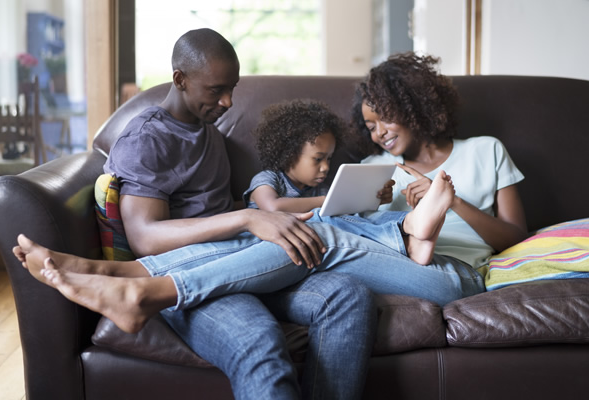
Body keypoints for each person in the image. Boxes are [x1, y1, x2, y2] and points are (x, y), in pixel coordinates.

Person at [19, 28, 379, 400]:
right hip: (188, 276)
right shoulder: (148, 138)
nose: (227, 102)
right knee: (259, 342)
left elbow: (221, 210)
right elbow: (146, 236)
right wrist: (247, 219)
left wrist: (265, 215)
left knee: (349, 295)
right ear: (180, 80)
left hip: (242, 261)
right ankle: (117, 281)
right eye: (216, 90)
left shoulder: (209, 133)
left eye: (232, 89)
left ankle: (94, 271)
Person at [352, 51, 529, 274]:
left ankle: (422, 238)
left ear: (413, 107)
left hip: (458, 270)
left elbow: (516, 239)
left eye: (386, 118)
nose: (379, 133)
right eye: (370, 127)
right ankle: (414, 235)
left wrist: (451, 200)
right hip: (394, 264)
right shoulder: (372, 168)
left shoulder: (486, 151)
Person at [244, 98, 449, 264]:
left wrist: (371, 199)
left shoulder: (320, 188)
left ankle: (409, 225)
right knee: (326, 217)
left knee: (360, 218)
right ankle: (407, 236)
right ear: (289, 154)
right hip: (266, 247)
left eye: (329, 159)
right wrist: (328, 200)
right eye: (318, 159)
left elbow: (351, 221)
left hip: (318, 247)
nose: (325, 167)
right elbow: (272, 207)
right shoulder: (268, 178)